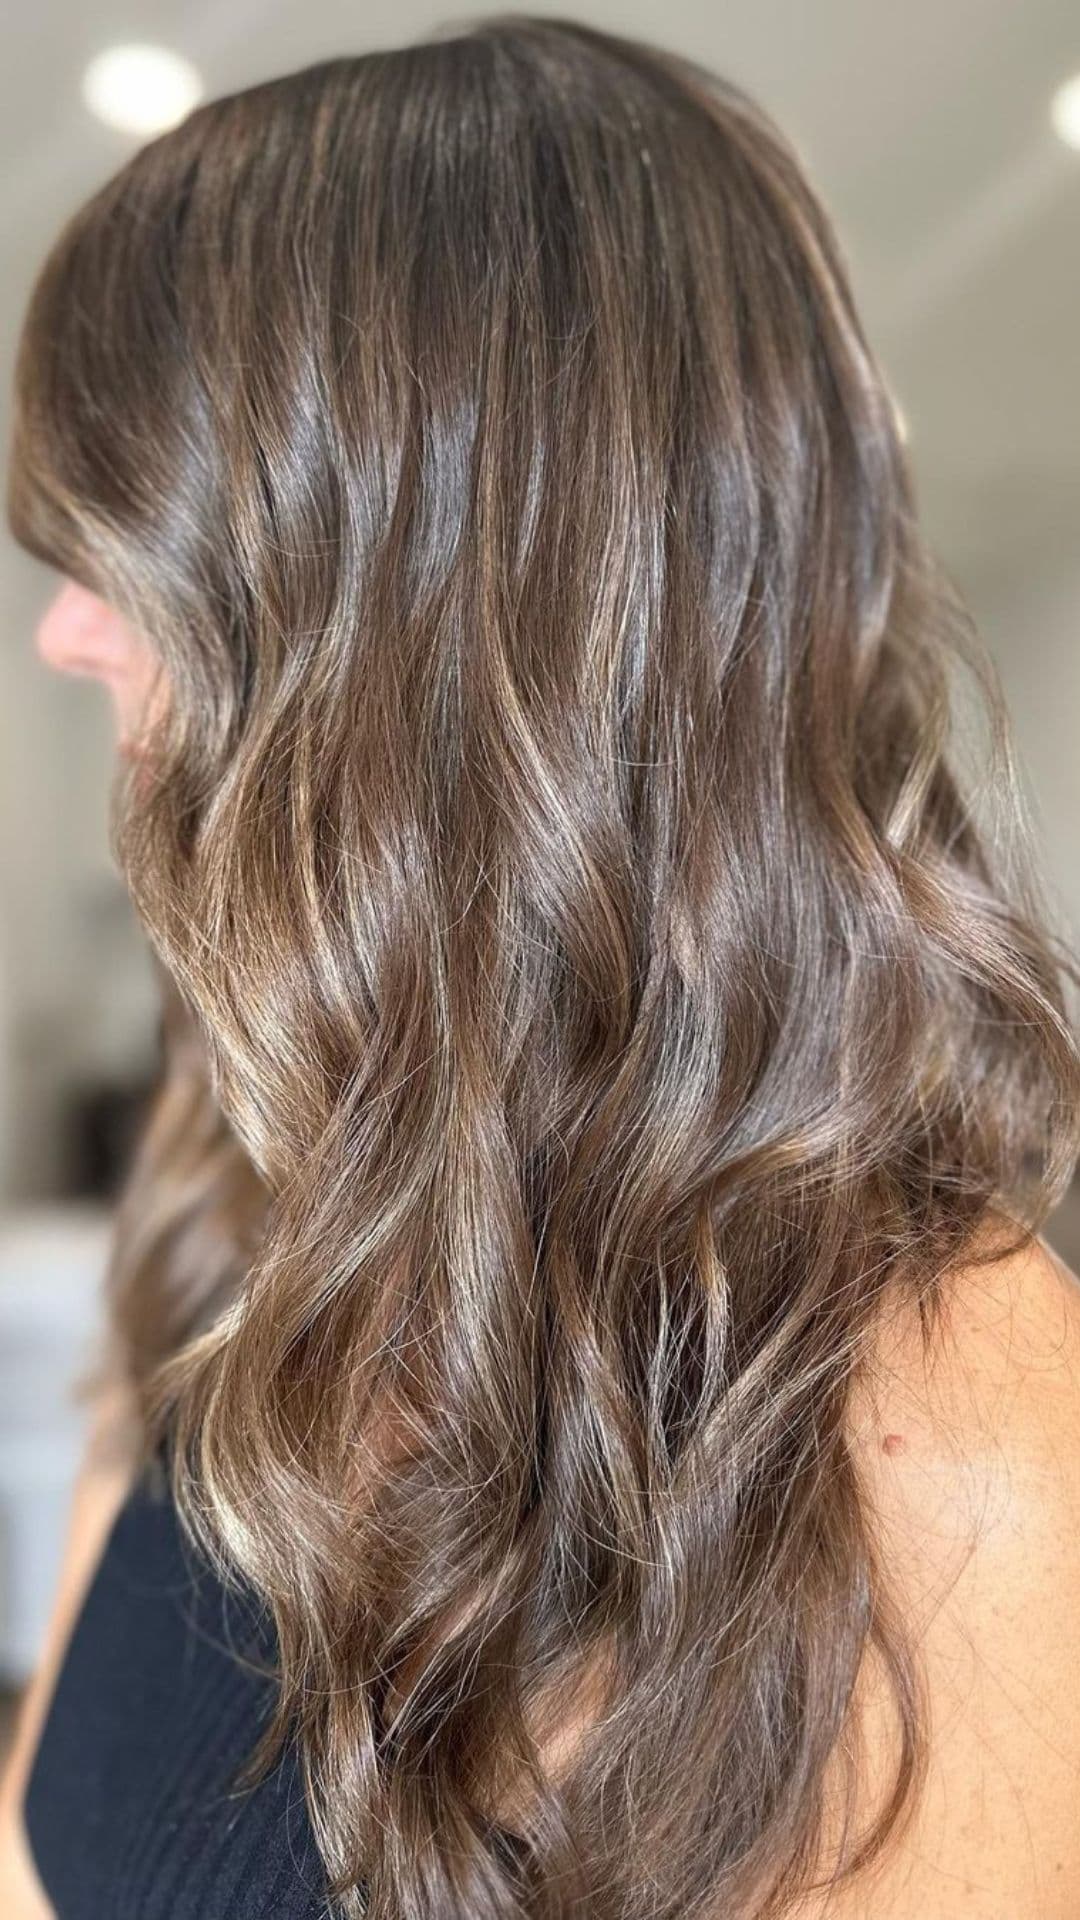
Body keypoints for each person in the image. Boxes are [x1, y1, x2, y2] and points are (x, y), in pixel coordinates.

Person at [3, 14, 1080, 1918]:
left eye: (135, 547)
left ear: (406, 601)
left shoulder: (955, 1445)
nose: (68, 633)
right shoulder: (247, 1166)